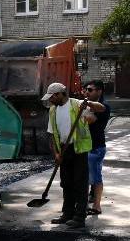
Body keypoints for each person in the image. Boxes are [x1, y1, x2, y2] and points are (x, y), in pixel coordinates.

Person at [43, 82, 104, 228]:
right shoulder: (52, 110)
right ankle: (67, 213)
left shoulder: (76, 104)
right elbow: (52, 134)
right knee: (66, 183)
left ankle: (79, 217)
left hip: (79, 149)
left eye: (52, 97)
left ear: (60, 94)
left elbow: (101, 108)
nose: (50, 100)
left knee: (80, 183)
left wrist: (89, 104)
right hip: (64, 150)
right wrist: (56, 154)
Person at [82, 79, 111, 215]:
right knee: (88, 177)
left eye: (90, 90)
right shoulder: (89, 105)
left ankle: (97, 206)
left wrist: (84, 106)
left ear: (99, 91)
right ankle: (89, 201)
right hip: (87, 146)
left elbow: (89, 119)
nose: (86, 92)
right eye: (85, 90)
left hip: (96, 147)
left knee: (96, 177)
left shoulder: (103, 107)